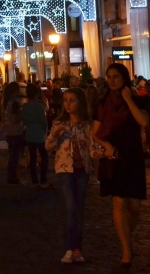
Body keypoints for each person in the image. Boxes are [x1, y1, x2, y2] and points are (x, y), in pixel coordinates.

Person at [92, 63, 149, 268]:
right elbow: (95, 132)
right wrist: (106, 145)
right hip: (113, 156)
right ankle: (126, 250)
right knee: (118, 202)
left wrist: (127, 99)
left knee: (134, 206)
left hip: (133, 155)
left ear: (124, 77)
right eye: (109, 76)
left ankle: (126, 237)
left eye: (116, 76)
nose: (112, 79)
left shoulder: (137, 99)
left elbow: (143, 121)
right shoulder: (102, 103)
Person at [46, 87, 95, 265]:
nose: (67, 104)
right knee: (70, 207)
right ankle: (69, 247)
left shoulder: (87, 124)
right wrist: (54, 135)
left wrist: (98, 153)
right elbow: (48, 146)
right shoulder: (60, 123)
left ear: (80, 103)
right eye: (65, 100)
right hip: (65, 169)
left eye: (72, 100)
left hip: (82, 169)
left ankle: (77, 249)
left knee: (79, 209)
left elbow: (91, 146)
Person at [22, 84, 50, 188]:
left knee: (33, 158)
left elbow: (23, 120)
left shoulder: (25, 106)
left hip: (30, 134)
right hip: (39, 134)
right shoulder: (39, 106)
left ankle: (34, 180)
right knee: (44, 157)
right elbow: (44, 121)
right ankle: (43, 180)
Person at [3, 83, 25, 184]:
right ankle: (13, 177)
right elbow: (15, 118)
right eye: (18, 89)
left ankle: (10, 176)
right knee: (15, 156)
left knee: (12, 155)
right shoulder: (15, 103)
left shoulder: (7, 101)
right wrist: (23, 116)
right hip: (16, 131)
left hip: (9, 130)